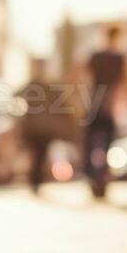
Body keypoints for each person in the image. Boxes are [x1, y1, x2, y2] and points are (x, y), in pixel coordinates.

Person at [84, 25, 127, 198]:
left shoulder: (95, 56)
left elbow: (78, 74)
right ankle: (102, 181)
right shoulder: (120, 58)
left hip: (93, 105)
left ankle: (92, 177)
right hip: (110, 106)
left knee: (90, 145)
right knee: (107, 146)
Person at [18, 57, 75, 192]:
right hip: (38, 129)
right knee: (38, 154)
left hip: (40, 129)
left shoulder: (42, 86)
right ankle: (36, 180)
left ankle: (36, 180)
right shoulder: (42, 86)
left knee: (38, 154)